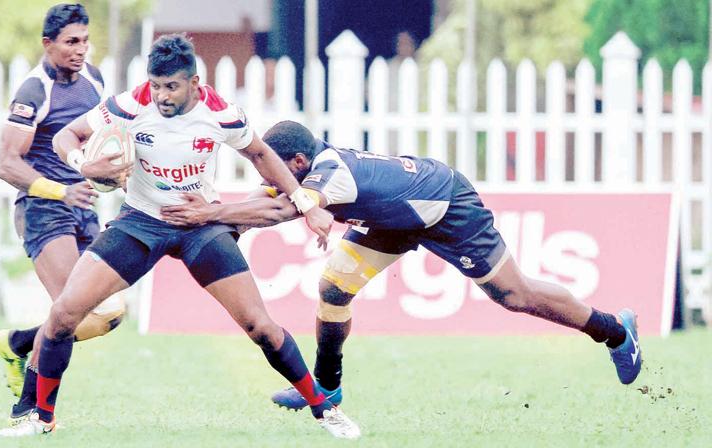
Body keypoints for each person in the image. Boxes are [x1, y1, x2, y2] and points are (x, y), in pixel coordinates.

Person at [0, 34, 360, 439]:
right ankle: (40, 417)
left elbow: (259, 153)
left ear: (195, 82)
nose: (161, 96)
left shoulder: (220, 112)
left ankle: (324, 410)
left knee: (260, 327)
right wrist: (84, 164)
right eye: (155, 85)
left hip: (198, 225)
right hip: (140, 222)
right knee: (65, 313)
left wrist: (305, 203)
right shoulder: (132, 103)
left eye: (171, 86)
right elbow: (67, 136)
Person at [159, 120, 643, 411]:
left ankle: (616, 331)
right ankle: (327, 389)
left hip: (444, 204)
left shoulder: (333, 176)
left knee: (513, 296)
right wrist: (230, 221)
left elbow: (284, 209)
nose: (267, 174)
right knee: (332, 289)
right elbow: (266, 199)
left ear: (298, 161)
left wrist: (210, 213)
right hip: (388, 217)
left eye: (271, 165)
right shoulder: (306, 170)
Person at [0, 2, 127, 428]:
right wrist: (61, 190)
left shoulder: (94, 78)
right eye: (71, 42)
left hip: (82, 206)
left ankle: (17, 344)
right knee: (69, 314)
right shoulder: (34, 91)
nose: (81, 50)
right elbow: (7, 165)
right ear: (47, 44)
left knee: (110, 315)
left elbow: (97, 140)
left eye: (85, 40)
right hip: (43, 210)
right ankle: (28, 411)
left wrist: (114, 173)